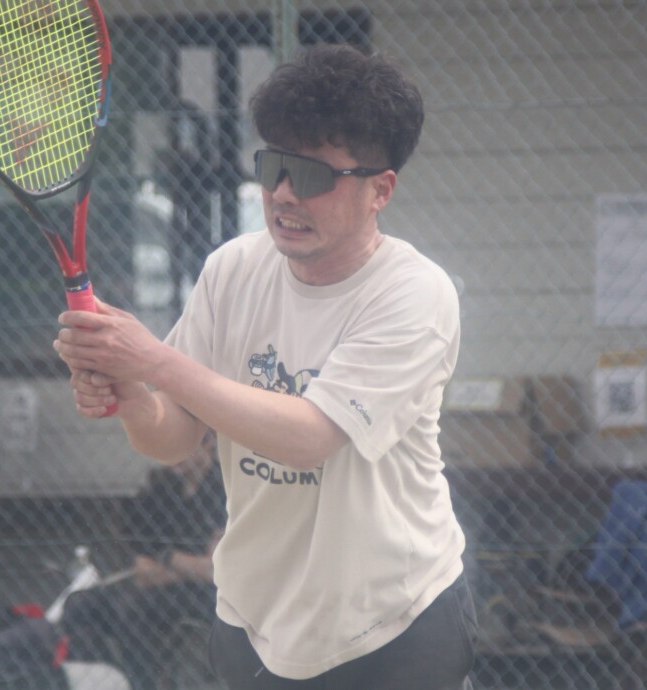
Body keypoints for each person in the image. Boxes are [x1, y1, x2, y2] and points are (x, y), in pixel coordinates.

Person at [54, 43, 476, 690]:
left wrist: (152, 359)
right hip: (253, 621)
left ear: (380, 190)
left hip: (392, 628)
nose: (282, 194)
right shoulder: (233, 269)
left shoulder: (414, 294)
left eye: (312, 176)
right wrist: (134, 395)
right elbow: (174, 438)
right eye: (273, 167)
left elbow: (310, 436)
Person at [62, 428, 225, 690]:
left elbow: (214, 571)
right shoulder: (164, 488)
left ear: (209, 443)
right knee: (78, 604)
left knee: (130, 608)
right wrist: (181, 564)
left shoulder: (223, 489)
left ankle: (143, 685)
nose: (173, 453)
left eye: (182, 443)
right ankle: (109, 680)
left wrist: (167, 559)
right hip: (156, 585)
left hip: (201, 593)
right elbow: (141, 554)